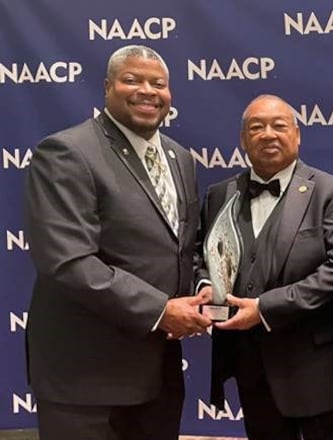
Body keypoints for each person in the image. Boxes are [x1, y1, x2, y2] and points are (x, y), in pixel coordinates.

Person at [24, 45, 212, 440]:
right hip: (87, 378)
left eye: (158, 83)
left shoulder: (180, 158)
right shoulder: (68, 152)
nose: (147, 90)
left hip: (158, 375)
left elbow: (182, 247)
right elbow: (70, 262)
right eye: (132, 80)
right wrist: (161, 310)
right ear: (108, 87)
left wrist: (202, 287)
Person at [195, 94, 333, 440]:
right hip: (249, 366)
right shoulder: (219, 194)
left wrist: (265, 309)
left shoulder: (330, 191)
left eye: (278, 125)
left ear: (297, 136)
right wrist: (206, 286)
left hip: (313, 368)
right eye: (257, 127)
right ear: (243, 140)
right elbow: (201, 255)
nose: (268, 134)